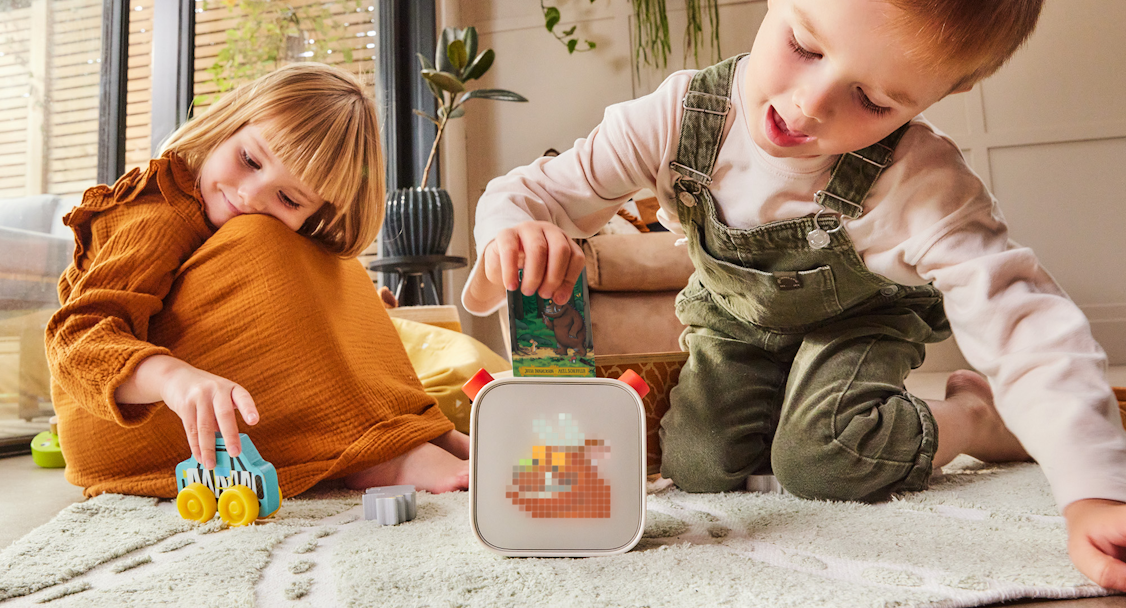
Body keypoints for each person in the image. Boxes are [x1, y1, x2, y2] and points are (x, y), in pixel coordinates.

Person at [461, 0, 1126, 589]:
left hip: (859, 322)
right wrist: (514, 230)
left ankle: (971, 419)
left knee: (822, 459)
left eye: (872, 100)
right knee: (696, 464)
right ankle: (783, 399)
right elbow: (535, 192)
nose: (810, 105)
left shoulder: (923, 181)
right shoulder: (675, 117)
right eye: (805, 46)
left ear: (938, 95)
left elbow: (1024, 323)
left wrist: (1092, 491)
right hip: (735, 318)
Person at [46, 62, 470, 499]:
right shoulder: (159, 214)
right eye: (249, 159)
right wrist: (174, 378)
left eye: (288, 198)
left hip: (209, 402)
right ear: (230, 124)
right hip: (118, 418)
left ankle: (418, 432)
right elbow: (76, 338)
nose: (249, 195)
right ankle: (382, 453)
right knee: (263, 234)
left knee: (338, 263)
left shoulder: (244, 219)